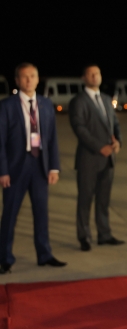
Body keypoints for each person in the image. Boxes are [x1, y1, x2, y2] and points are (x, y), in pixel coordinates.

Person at [0, 62, 66, 273]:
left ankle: (44, 254)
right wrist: (2, 170)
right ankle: (4, 258)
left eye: (33, 76)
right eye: (24, 76)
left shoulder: (46, 104)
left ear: (38, 79)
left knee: (41, 213)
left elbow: (52, 138)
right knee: (9, 214)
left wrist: (54, 167)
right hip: (15, 168)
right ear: (17, 80)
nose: (29, 80)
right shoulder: (6, 106)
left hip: (40, 166)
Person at [69, 65, 124, 252]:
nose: (95, 76)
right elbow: (79, 128)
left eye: (98, 73)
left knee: (103, 200)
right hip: (89, 159)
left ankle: (104, 234)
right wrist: (100, 147)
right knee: (85, 199)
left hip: (108, 159)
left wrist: (118, 142)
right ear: (84, 78)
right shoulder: (79, 101)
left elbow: (115, 124)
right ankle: (84, 236)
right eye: (91, 74)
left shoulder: (107, 99)